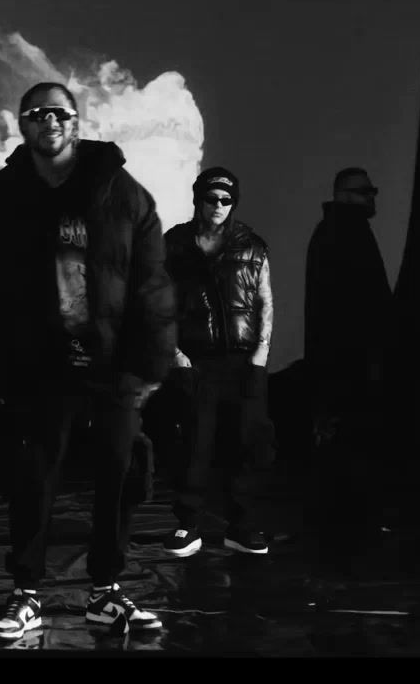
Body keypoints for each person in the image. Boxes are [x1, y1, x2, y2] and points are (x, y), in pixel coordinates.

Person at [0, 82, 176, 638]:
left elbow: (152, 282)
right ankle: (25, 593)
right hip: (38, 361)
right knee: (32, 478)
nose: (50, 121)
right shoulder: (6, 191)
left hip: (112, 363)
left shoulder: (122, 191)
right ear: (22, 125)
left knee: (119, 476)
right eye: (37, 113)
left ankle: (106, 593)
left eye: (59, 112)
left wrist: (150, 365)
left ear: (77, 121)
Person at [160, 167, 276, 559]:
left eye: (226, 200)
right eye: (211, 198)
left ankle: (242, 526)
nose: (218, 206)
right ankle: (187, 524)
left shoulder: (252, 245)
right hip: (195, 360)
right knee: (194, 443)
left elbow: (264, 300)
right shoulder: (175, 243)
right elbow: (160, 302)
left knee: (246, 442)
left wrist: (260, 355)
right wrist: (176, 356)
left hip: (243, 360)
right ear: (199, 199)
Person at [304, 167, 395, 544]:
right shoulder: (349, 232)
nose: (371, 198)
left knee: (341, 439)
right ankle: (348, 521)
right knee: (351, 439)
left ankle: (339, 518)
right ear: (343, 194)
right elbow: (368, 301)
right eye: (364, 191)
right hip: (350, 360)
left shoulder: (332, 231)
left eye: (372, 191)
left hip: (337, 359)